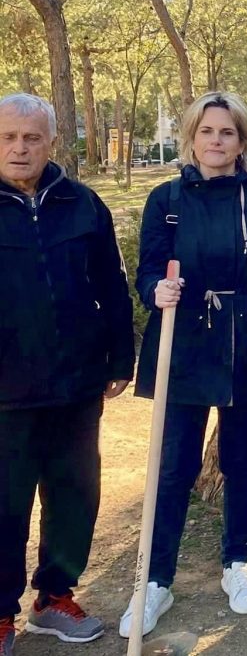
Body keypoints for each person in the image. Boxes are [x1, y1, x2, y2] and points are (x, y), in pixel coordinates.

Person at [121, 91, 247, 639]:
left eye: (227, 133)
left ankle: (237, 562)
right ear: (192, 136)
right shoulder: (166, 199)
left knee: (241, 459)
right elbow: (148, 269)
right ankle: (156, 580)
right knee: (174, 465)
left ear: (242, 141)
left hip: (246, 342)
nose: (216, 142)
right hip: (185, 340)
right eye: (206, 132)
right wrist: (157, 289)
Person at [0, 94, 134, 652]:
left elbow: (111, 285)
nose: (19, 148)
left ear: (52, 142)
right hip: (6, 392)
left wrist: (120, 357)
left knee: (75, 494)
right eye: (8, 137)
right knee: (5, 501)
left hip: (77, 384)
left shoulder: (83, 204)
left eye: (32, 137)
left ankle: (54, 596)